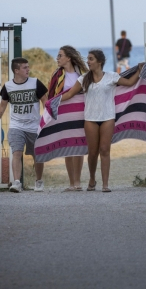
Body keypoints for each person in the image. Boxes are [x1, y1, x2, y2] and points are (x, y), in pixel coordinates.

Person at [60, 49, 143, 192]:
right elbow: (70, 94)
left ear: (99, 62)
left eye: (91, 59)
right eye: (88, 59)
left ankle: (105, 184)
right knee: (92, 153)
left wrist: (140, 70)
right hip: (90, 119)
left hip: (108, 118)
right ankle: (92, 179)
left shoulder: (112, 76)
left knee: (105, 150)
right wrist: (54, 101)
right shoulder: (84, 78)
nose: (88, 61)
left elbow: (129, 82)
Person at [0, 57, 48, 193]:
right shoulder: (8, 86)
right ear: (16, 70)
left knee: (37, 155)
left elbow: (45, 101)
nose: (28, 69)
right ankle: (17, 182)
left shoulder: (35, 83)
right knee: (16, 152)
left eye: (28, 67)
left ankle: (39, 181)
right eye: (24, 67)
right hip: (16, 126)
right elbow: (2, 107)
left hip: (34, 126)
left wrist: (47, 120)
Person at [48, 45, 88, 191]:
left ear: (68, 58)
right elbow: (52, 97)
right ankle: (72, 183)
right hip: (64, 116)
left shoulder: (81, 74)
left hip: (80, 115)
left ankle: (78, 182)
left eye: (60, 55)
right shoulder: (57, 75)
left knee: (79, 147)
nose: (57, 58)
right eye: (57, 56)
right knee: (68, 148)